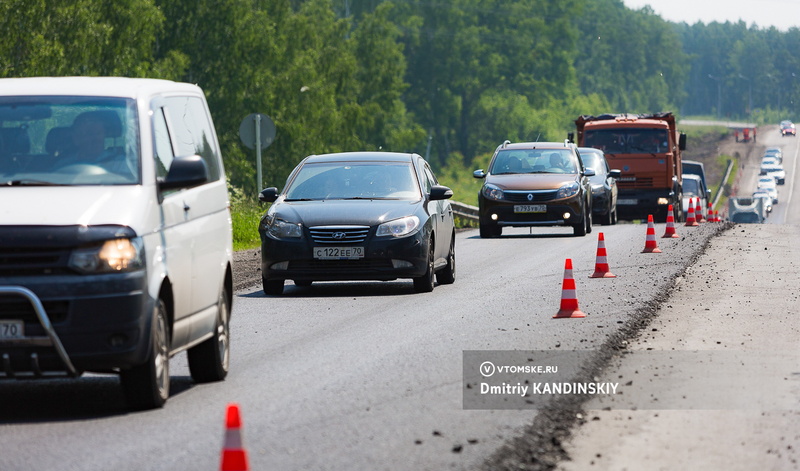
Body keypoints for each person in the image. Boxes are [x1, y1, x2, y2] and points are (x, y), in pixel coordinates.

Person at [58, 110, 133, 177]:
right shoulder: (63, 165)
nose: (95, 139)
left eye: (98, 133)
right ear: (76, 138)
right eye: (89, 134)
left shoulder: (119, 164)